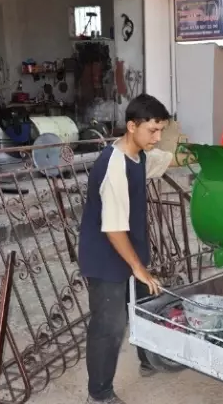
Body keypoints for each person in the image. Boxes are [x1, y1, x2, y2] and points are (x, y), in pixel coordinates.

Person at [79, 94, 192, 404]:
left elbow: (171, 159)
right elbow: (113, 229)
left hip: (130, 251)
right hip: (105, 256)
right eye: (153, 130)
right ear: (132, 126)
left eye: (161, 130)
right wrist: (139, 269)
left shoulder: (141, 154)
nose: (158, 137)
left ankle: (148, 361)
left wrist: (205, 155)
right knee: (109, 326)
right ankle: (99, 394)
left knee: (145, 307)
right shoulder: (113, 164)